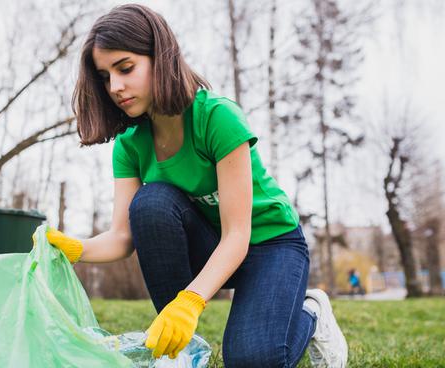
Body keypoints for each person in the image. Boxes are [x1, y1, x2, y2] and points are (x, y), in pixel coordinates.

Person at [46, 4, 348, 367]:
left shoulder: (218, 118)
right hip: (210, 245)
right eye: (105, 76)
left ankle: (311, 314)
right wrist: (75, 248)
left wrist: (190, 301)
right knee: (151, 204)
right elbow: (123, 237)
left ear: (161, 57)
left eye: (125, 68)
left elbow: (238, 235)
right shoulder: (130, 142)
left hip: (269, 244)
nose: (115, 86)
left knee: (254, 359)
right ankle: (180, 349)